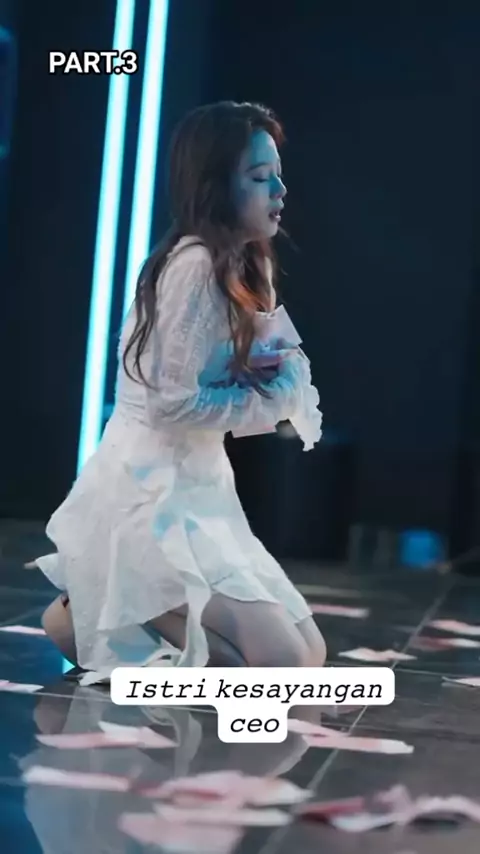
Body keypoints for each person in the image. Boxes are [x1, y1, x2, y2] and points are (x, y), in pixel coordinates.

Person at [29, 101, 326, 684]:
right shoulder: (193, 266)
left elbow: (274, 364)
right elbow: (172, 404)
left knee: (307, 658)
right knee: (282, 668)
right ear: (215, 186)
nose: (280, 190)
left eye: (277, 174)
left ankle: (87, 608)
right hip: (148, 493)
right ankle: (110, 580)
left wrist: (270, 382)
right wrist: (270, 398)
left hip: (201, 488)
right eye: (260, 177)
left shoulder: (249, 265)